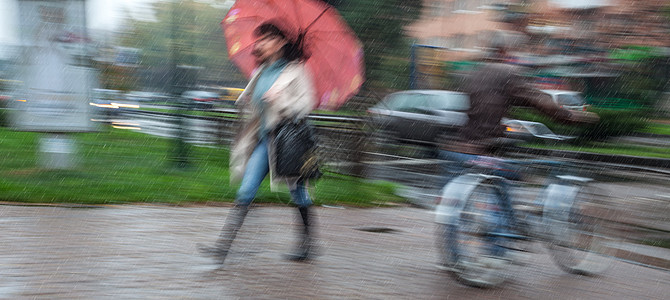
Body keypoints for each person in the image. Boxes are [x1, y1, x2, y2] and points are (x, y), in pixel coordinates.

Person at [437, 30, 599, 267]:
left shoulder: (473, 74)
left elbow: (488, 105)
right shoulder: (506, 73)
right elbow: (537, 100)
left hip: (460, 145)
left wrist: (507, 123)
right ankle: (497, 252)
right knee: (506, 182)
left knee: (456, 203)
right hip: (485, 147)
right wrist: (569, 116)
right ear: (504, 51)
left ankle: (452, 258)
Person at [198, 22, 318, 264]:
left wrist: (281, 100)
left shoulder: (296, 70)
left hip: (287, 143)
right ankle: (222, 248)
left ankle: (308, 245)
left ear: (281, 42)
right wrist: (246, 101)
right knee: (246, 190)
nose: (260, 43)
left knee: (299, 195)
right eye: (259, 38)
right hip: (264, 141)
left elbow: (306, 104)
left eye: (266, 38)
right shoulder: (262, 72)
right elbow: (255, 104)